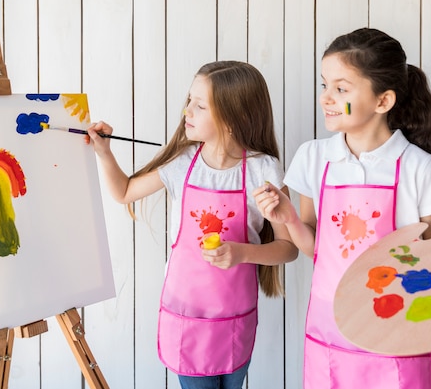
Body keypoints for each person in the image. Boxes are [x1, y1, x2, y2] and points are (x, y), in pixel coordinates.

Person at [254, 28, 431, 389]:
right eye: (324, 85)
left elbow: (430, 258)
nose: (326, 98)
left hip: (397, 332)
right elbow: (315, 249)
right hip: (330, 330)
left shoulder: (420, 168)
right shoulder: (314, 158)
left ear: (383, 102)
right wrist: (287, 218)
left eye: (341, 88)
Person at [87, 60, 298, 389]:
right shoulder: (181, 164)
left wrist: (241, 253)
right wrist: (103, 153)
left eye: (200, 105)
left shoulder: (263, 169)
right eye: (189, 100)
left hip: (236, 317)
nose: (187, 110)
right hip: (186, 316)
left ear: (235, 117)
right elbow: (124, 192)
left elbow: (288, 249)